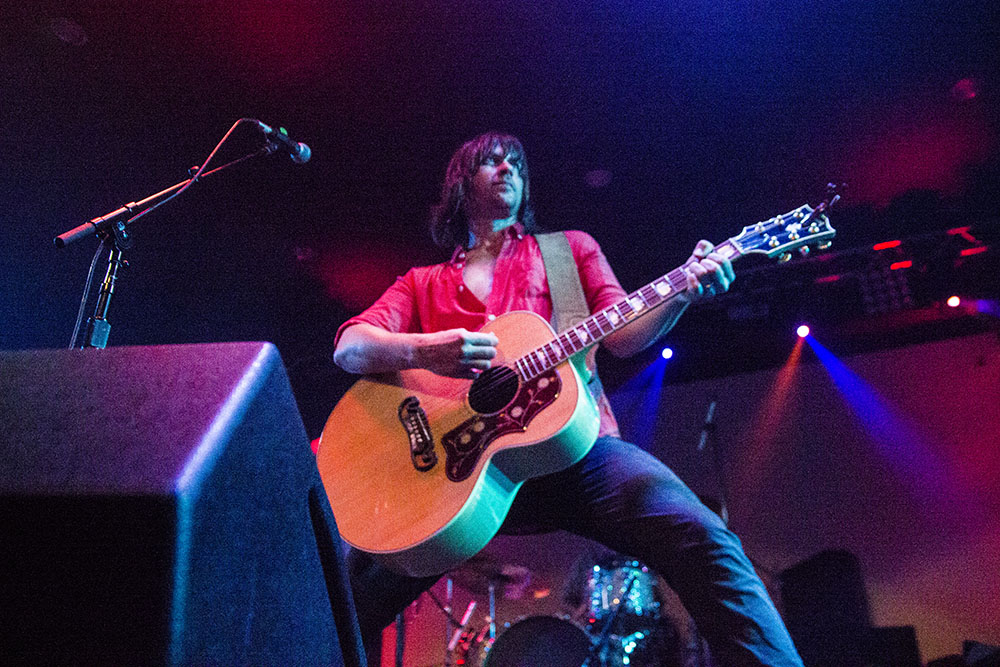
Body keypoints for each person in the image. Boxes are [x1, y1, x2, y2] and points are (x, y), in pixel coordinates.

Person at [332, 131, 803, 666]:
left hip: (575, 448)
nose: (508, 167)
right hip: (451, 479)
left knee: (704, 539)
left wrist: (683, 293)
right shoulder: (421, 283)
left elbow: (624, 335)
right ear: (460, 183)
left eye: (516, 162)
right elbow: (350, 348)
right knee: (341, 592)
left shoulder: (567, 251)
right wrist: (427, 350)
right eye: (491, 160)